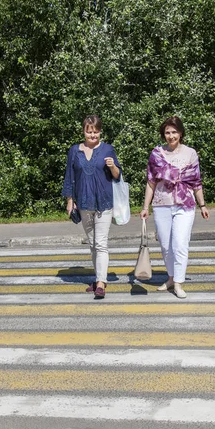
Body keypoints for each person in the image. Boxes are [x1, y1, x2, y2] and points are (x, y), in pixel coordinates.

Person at [140, 116, 209, 298]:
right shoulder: (156, 154)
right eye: (167, 132)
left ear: (181, 133)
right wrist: (145, 207)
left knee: (180, 243)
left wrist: (202, 205)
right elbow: (151, 182)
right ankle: (170, 278)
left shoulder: (190, 153)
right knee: (165, 245)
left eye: (174, 132)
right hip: (162, 204)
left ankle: (178, 283)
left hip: (185, 204)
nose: (171, 136)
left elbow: (196, 181)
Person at [62, 115, 122, 298]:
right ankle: (98, 278)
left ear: (100, 132)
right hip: (84, 202)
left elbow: (117, 175)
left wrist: (112, 166)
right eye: (89, 131)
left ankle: (101, 283)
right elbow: (69, 176)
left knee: (101, 243)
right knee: (93, 244)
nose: (92, 135)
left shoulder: (107, 149)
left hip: (103, 201)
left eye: (95, 131)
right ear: (84, 131)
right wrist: (70, 201)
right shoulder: (74, 151)